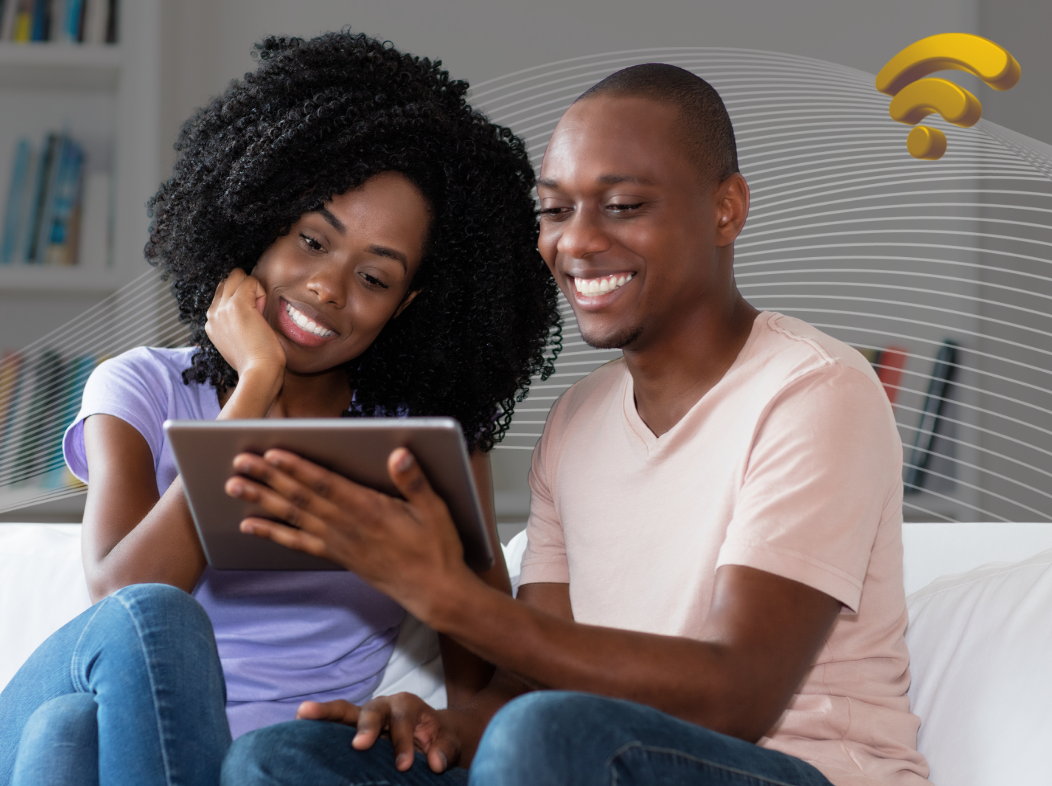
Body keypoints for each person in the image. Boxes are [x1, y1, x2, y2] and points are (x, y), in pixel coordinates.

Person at [221, 63, 931, 786]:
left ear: (726, 210)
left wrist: (448, 597)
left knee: (544, 733)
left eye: (622, 205)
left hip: (791, 769)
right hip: (578, 757)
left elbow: (736, 696)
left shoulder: (814, 389)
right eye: (556, 210)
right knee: (283, 758)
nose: (577, 241)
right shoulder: (575, 421)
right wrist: (446, 727)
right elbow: (525, 685)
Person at [0, 31, 561, 786]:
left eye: (373, 278)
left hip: (264, 767)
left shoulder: (423, 441)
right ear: (261, 220)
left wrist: (431, 719)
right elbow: (123, 598)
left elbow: (491, 681)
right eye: (311, 240)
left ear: (406, 306)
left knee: (69, 735)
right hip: (109, 732)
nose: (328, 287)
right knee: (133, 646)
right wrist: (255, 386)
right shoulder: (138, 388)